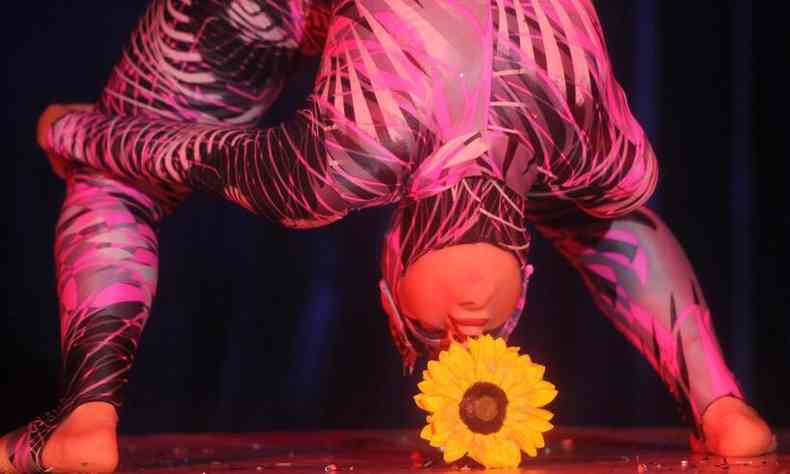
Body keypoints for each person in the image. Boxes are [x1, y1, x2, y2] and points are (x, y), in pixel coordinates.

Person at [4, 0, 774, 472]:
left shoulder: (599, 142)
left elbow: (623, 210)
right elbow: (165, 149)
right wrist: (74, 132)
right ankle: (84, 422)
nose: (452, 348)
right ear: (388, 253)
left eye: (428, 338)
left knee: (595, 205)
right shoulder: (332, 167)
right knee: (116, 175)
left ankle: (724, 409)